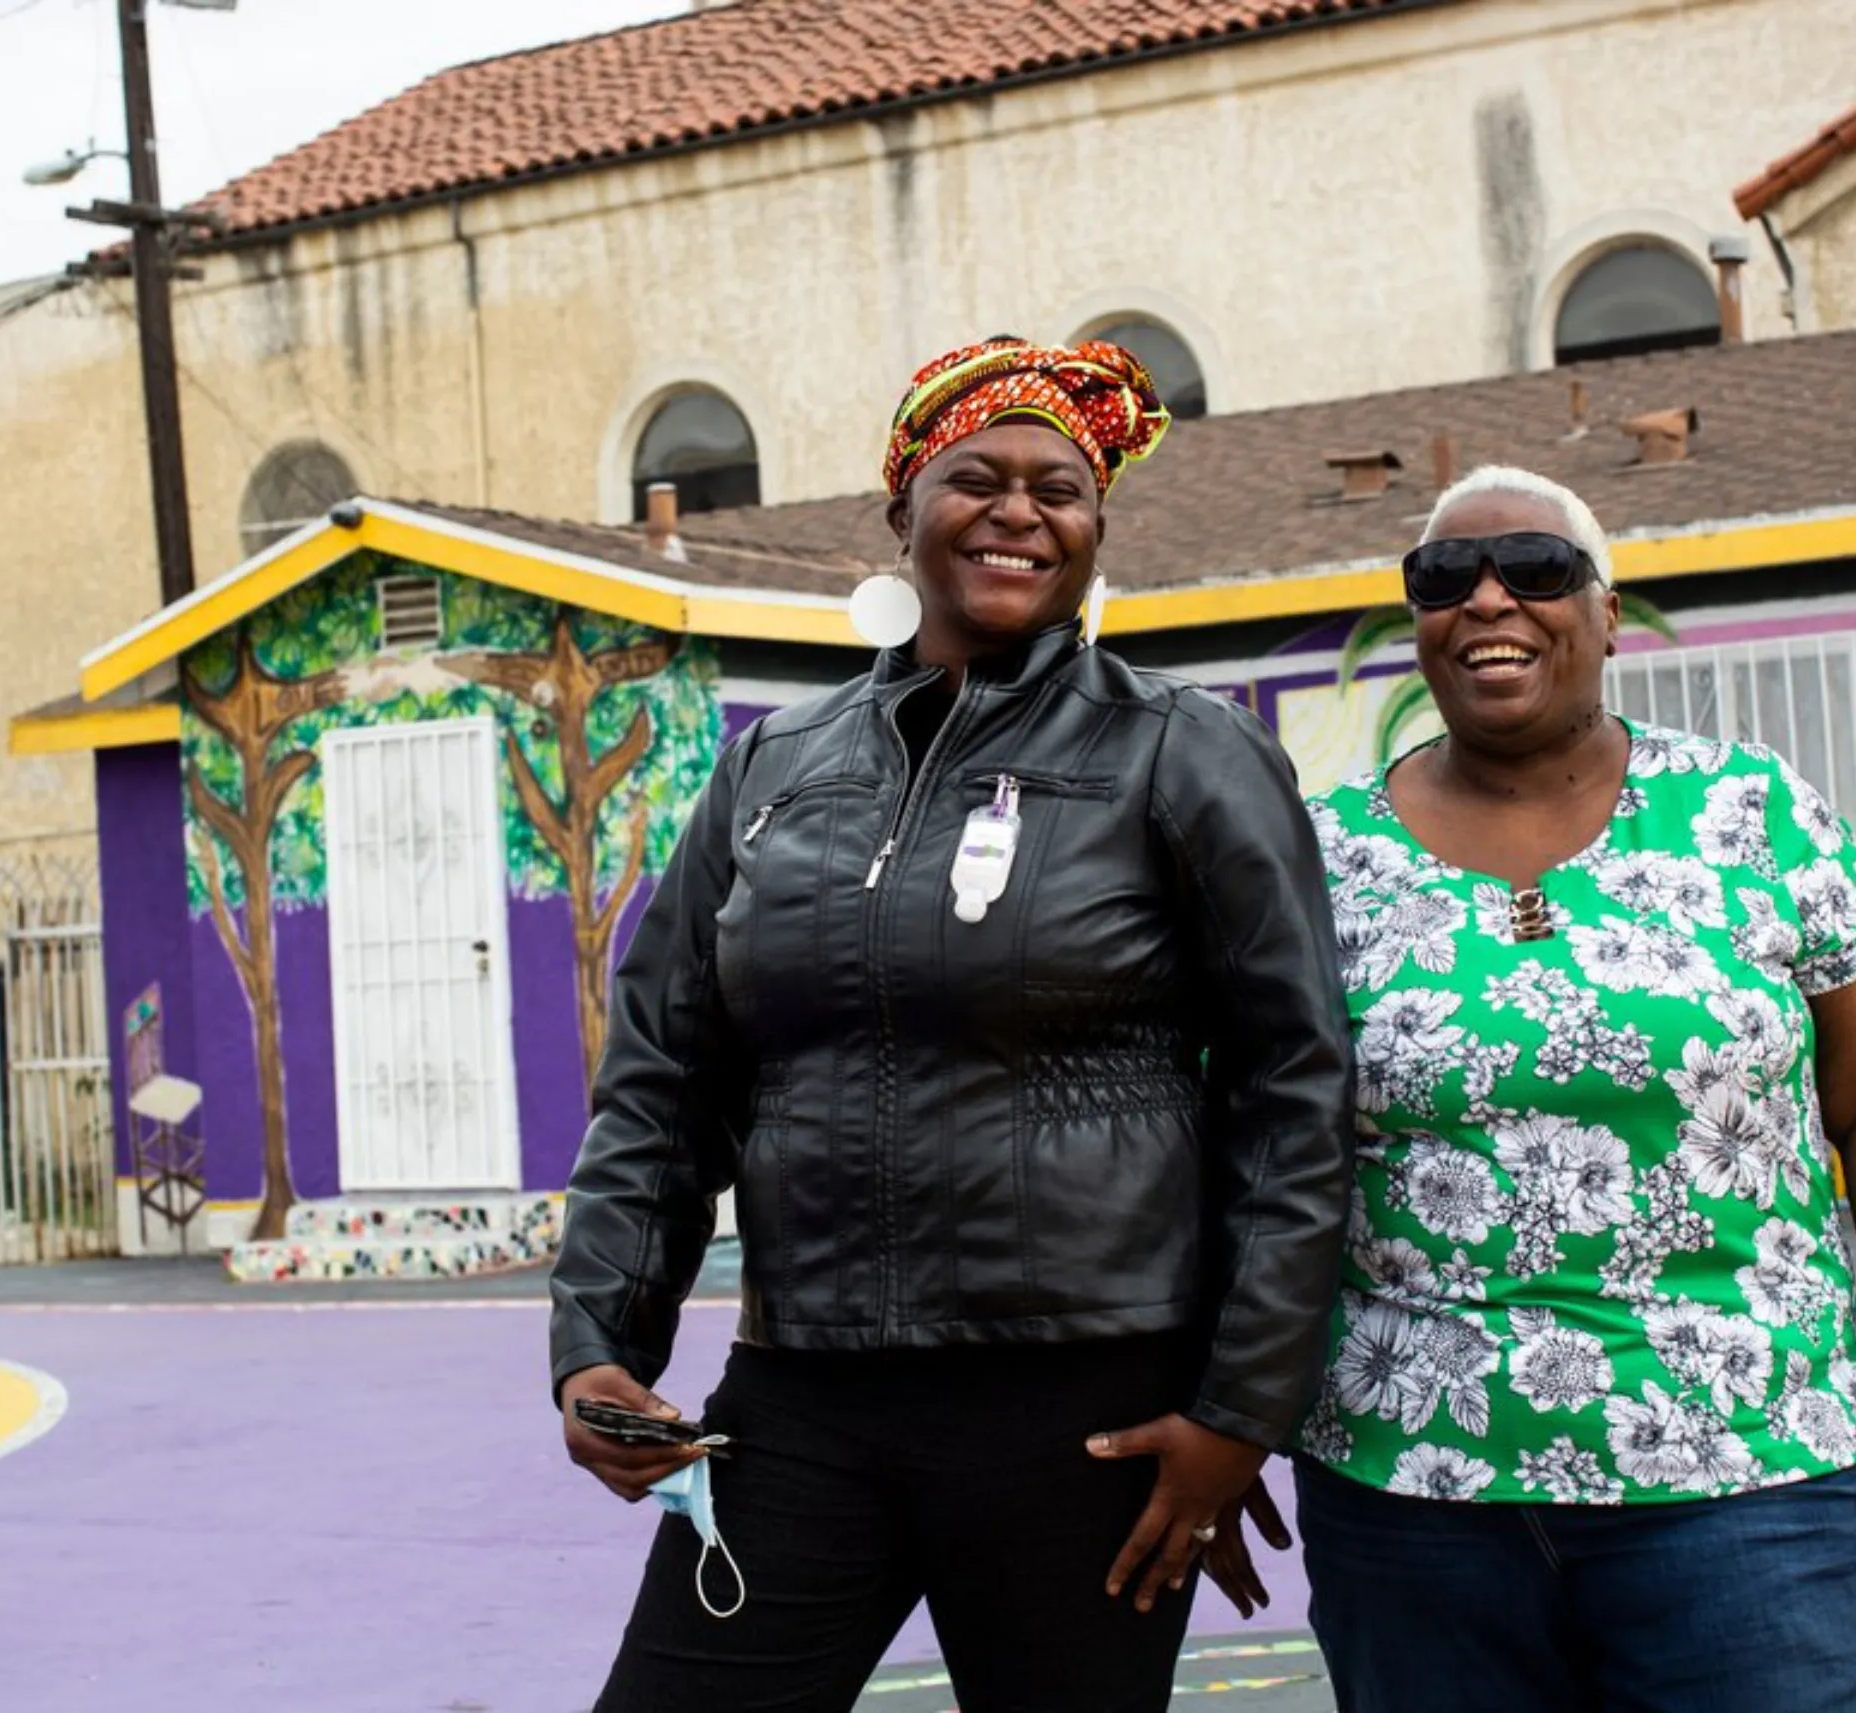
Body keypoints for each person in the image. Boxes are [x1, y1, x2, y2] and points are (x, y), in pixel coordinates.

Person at [547, 336, 1354, 1713]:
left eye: (1064, 489)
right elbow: (666, 1084)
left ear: (1097, 533)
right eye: (977, 477)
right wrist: (600, 1338)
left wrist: (1239, 1410)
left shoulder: (1181, 752)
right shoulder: (768, 772)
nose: (1022, 510)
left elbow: (1296, 1085)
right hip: (803, 1390)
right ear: (902, 507)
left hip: (1084, 1413)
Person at [1278, 466, 1856, 1712]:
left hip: (1741, 1476)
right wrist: (1226, 1412)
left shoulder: (1750, 814)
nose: (1489, 598)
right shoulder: (1318, 854)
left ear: (1608, 615)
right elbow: (1255, 1147)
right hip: (1414, 1496)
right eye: (1445, 580)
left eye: (1539, 569)